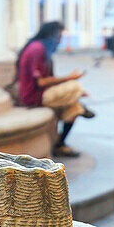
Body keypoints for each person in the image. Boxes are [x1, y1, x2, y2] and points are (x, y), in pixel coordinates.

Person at [15, 21, 94, 158]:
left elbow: (48, 79)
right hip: (34, 96)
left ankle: (60, 145)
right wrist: (70, 79)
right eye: (59, 37)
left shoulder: (41, 48)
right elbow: (42, 82)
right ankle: (77, 97)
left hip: (42, 93)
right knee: (74, 87)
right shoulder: (37, 49)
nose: (60, 41)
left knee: (75, 109)